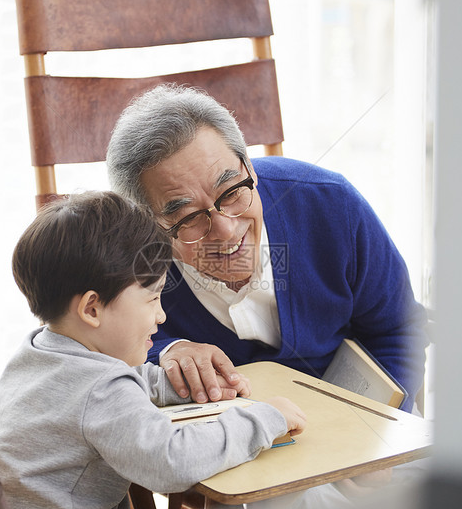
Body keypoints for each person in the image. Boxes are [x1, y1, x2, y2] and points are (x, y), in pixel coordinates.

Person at [0, 192, 306, 509]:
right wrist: (262, 419)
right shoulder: (100, 390)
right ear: (92, 310)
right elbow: (173, 462)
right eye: (153, 298)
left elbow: (117, 385)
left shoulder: (41, 350)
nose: (161, 317)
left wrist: (182, 384)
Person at [106, 84, 429, 413]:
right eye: (188, 217)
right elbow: (82, 348)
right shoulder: (123, 253)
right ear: (148, 225)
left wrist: (375, 437)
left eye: (231, 192)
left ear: (249, 168)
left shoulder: (332, 204)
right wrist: (164, 349)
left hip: (359, 423)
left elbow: (399, 330)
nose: (226, 230)